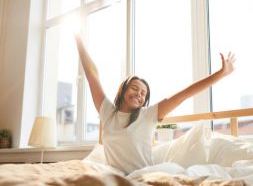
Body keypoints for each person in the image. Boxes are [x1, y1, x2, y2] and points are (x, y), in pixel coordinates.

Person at [75, 34, 235, 174]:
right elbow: (91, 74)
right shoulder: (107, 112)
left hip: (142, 176)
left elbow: (185, 94)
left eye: (143, 93)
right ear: (123, 90)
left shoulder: (148, 115)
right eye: (135, 88)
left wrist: (220, 74)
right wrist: (78, 39)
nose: (139, 94)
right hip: (114, 178)